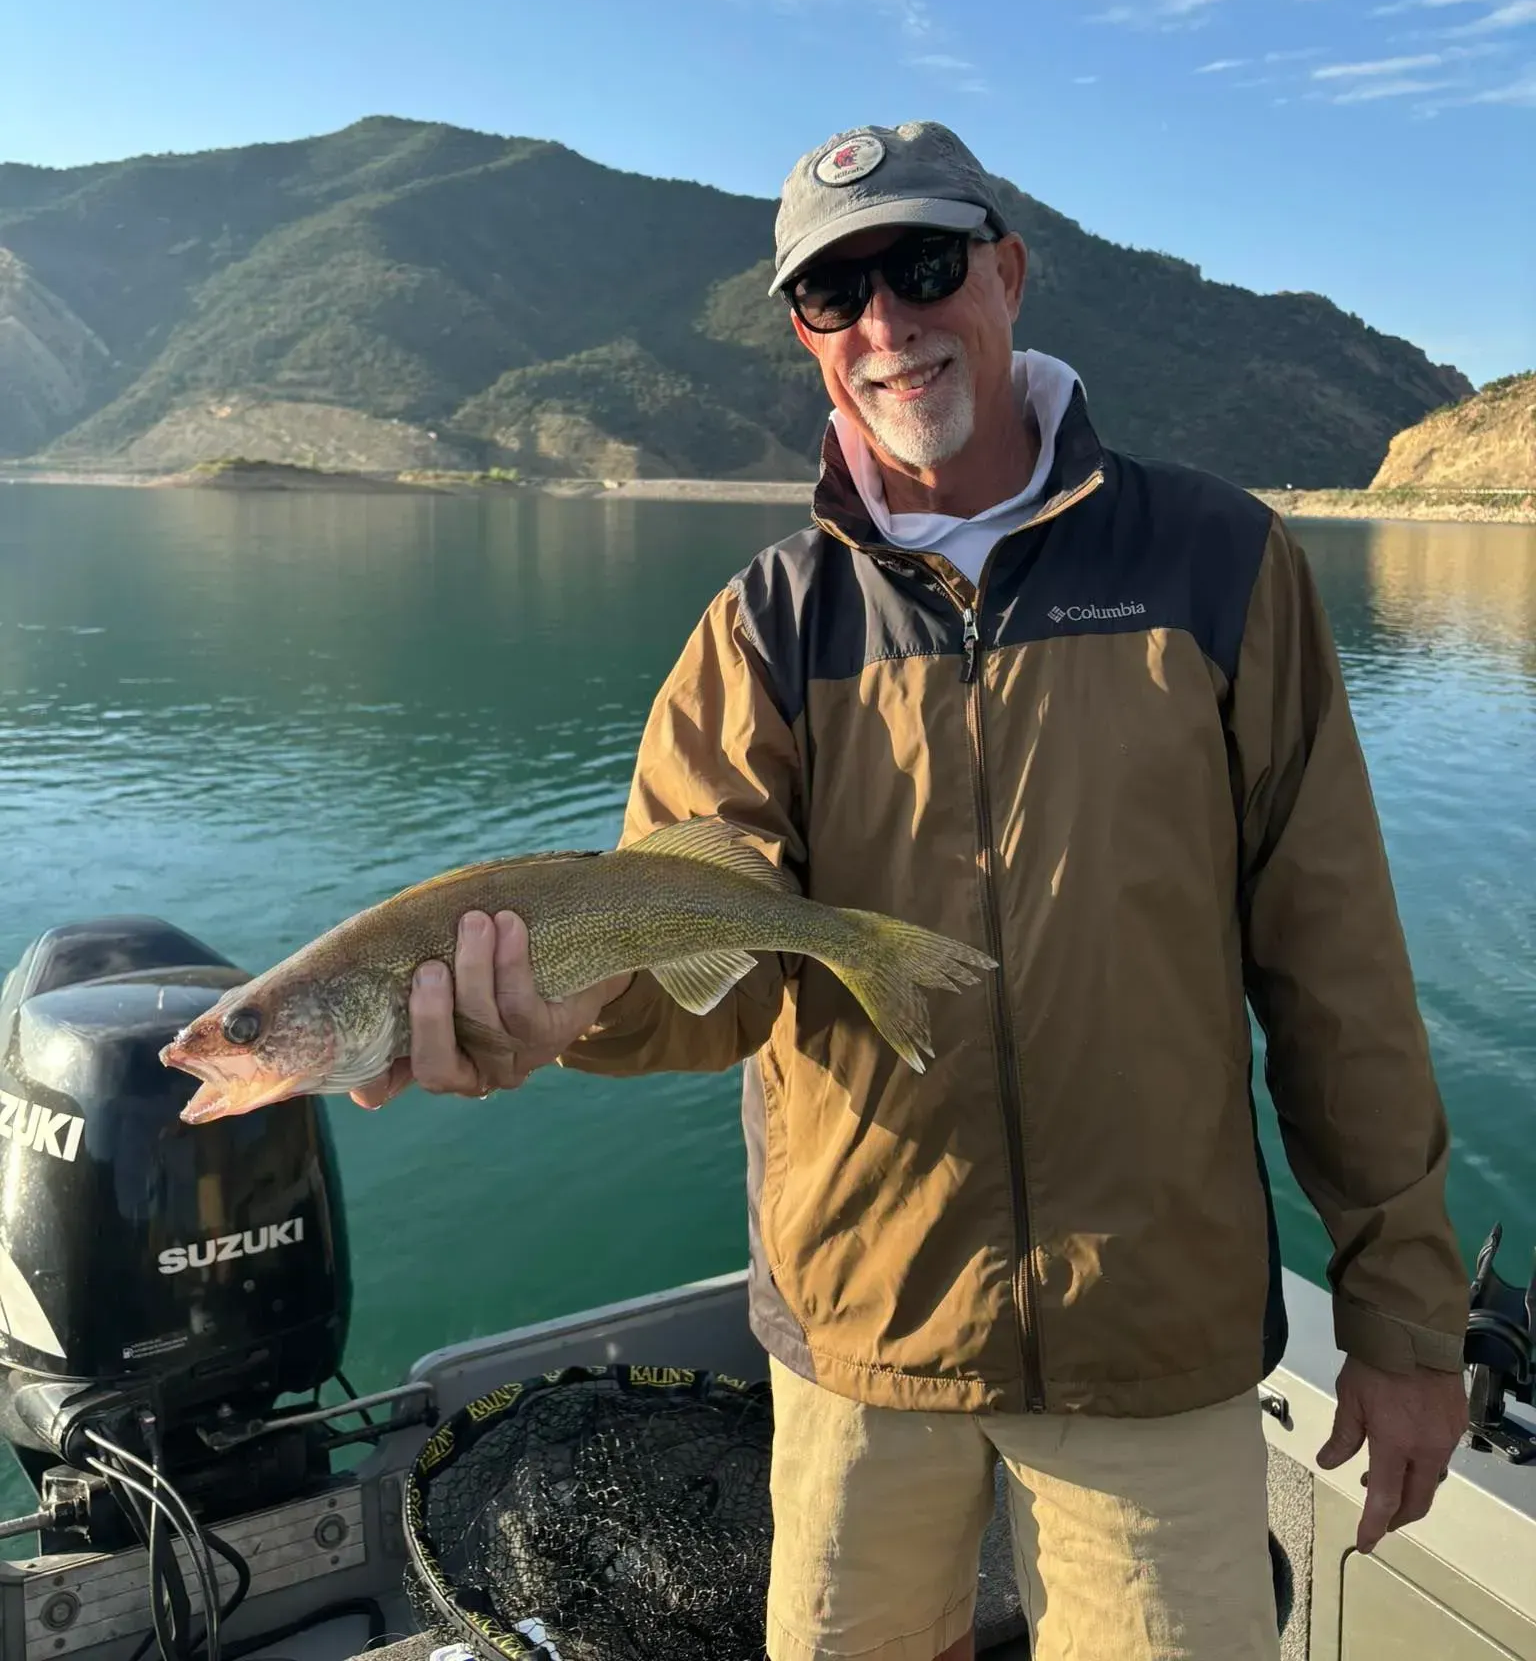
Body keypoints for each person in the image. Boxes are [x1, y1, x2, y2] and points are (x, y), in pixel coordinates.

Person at [357, 121, 1471, 1661]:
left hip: (1153, 1344)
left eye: (924, 267)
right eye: (836, 296)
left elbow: (1335, 968)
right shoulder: (764, 628)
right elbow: (712, 966)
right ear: (806, 338)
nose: (887, 323)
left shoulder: (1221, 565)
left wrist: (1405, 1319)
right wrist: (567, 1016)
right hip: (860, 1345)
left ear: (1007, 274)